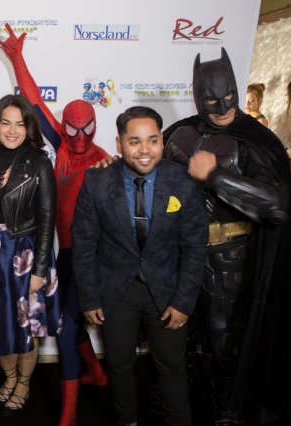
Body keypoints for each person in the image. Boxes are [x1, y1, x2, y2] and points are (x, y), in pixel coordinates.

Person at [163, 48, 291, 425]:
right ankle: (181, 404)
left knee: (226, 343)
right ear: (197, 96)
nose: (223, 108)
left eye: (229, 97)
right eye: (211, 101)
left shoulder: (255, 140)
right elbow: (145, 170)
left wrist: (216, 176)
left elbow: (278, 205)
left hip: (232, 258)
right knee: (178, 337)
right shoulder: (180, 133)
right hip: (181, 255)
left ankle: (229, 413)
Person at [0, 23, 109, 424]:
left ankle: (69, 413)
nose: (78, 137)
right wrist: (17, 58)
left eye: (86, 129)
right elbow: (34, 101)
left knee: (66, 327)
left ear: (95, 125)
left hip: (93, 257)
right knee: (68, 322)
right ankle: (96, 374)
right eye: (72, 128)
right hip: (66, 254)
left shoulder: (104, 160)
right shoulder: (58, 144)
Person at [74, 106, 208, 426]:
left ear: (162, 141)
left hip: (168, 290)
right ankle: (127, 421)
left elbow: (194, 247)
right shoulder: (96, 182)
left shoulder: (183, 181)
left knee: (171, 366)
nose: (144, 149)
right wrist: (90, 298)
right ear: (119, 143)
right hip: (116, 290)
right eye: (134, 141)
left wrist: (183, 302)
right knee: (120, 365)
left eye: (152, 140)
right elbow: (84, 245)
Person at [0, 94, 59, 417]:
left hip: (25, 253)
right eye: (6, 123)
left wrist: (40, 271)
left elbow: (47, 221)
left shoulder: (39, 163)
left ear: (28, 127)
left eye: (20, 124)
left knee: (25, 326)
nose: (12, 130)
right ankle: (9, 377)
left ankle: (24, 384)